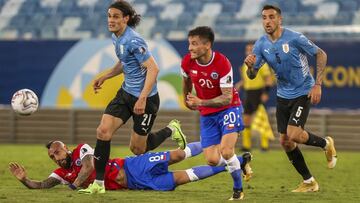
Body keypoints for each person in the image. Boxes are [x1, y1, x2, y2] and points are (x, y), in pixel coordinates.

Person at [82, 1, 187, 194]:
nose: (111, 20)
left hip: (146, 100)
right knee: (103, 131)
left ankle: (171, 130)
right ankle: (98, 183)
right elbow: (125, 62)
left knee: (137, 149)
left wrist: (142, 98)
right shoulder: (117, 38)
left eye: (115, 16)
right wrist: (105, 76)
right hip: (125, 94)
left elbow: (153, 69)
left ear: (126, 19)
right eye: (109, 16)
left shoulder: (133, 40)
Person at [244, 4, 337, 192]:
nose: (267, 21)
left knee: (294, 134)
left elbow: (321, 54)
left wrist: (317, 84)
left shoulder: (295, 38)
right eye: (264, 17)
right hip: (282, 95)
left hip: (303, 91)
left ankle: (326, 143)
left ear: (280, 19)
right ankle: (309, 181)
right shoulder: (261, 44)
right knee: (286, 142)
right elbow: (254, 75)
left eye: (271, 17)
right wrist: (250, 67)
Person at [8, 140, 252, 193]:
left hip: (135, 165)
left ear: (65, 148)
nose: (56, 157)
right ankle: (237, 163)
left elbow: (87, 168)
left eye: (57, 151)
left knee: (178, 155)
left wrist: (75, 185)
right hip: (138, 184)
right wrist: (24, 180)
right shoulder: (62, 174)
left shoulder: (81, 150)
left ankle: (214, 141)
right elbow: (40, 185)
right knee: (183, 178)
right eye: (52, 156)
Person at [181, 26, 246, 200]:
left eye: (194, 44)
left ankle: (238, 190)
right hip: (207, 114)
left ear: (207, 44)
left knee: (225, 151)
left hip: (229, 108)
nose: (190, 48)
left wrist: (200, 102)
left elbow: (226, 97)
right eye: (189, 43)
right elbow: (186, 81)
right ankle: (241, 161)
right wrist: (186, 99)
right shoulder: (187, 61)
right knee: (211, 159)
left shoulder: (223, 63)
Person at [235, 41, 274, 151]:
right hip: (248, 93)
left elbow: (268, 80)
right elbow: (246, 79)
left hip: (258, 92)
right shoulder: (245, 64)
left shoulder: (261, 64)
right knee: (246, 118)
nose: (249, 52)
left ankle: (264, 145)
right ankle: (246, 146)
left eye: (251, 50)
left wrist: (265, 93)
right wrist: (239, 85)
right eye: (247, 50)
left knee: (262, 118)